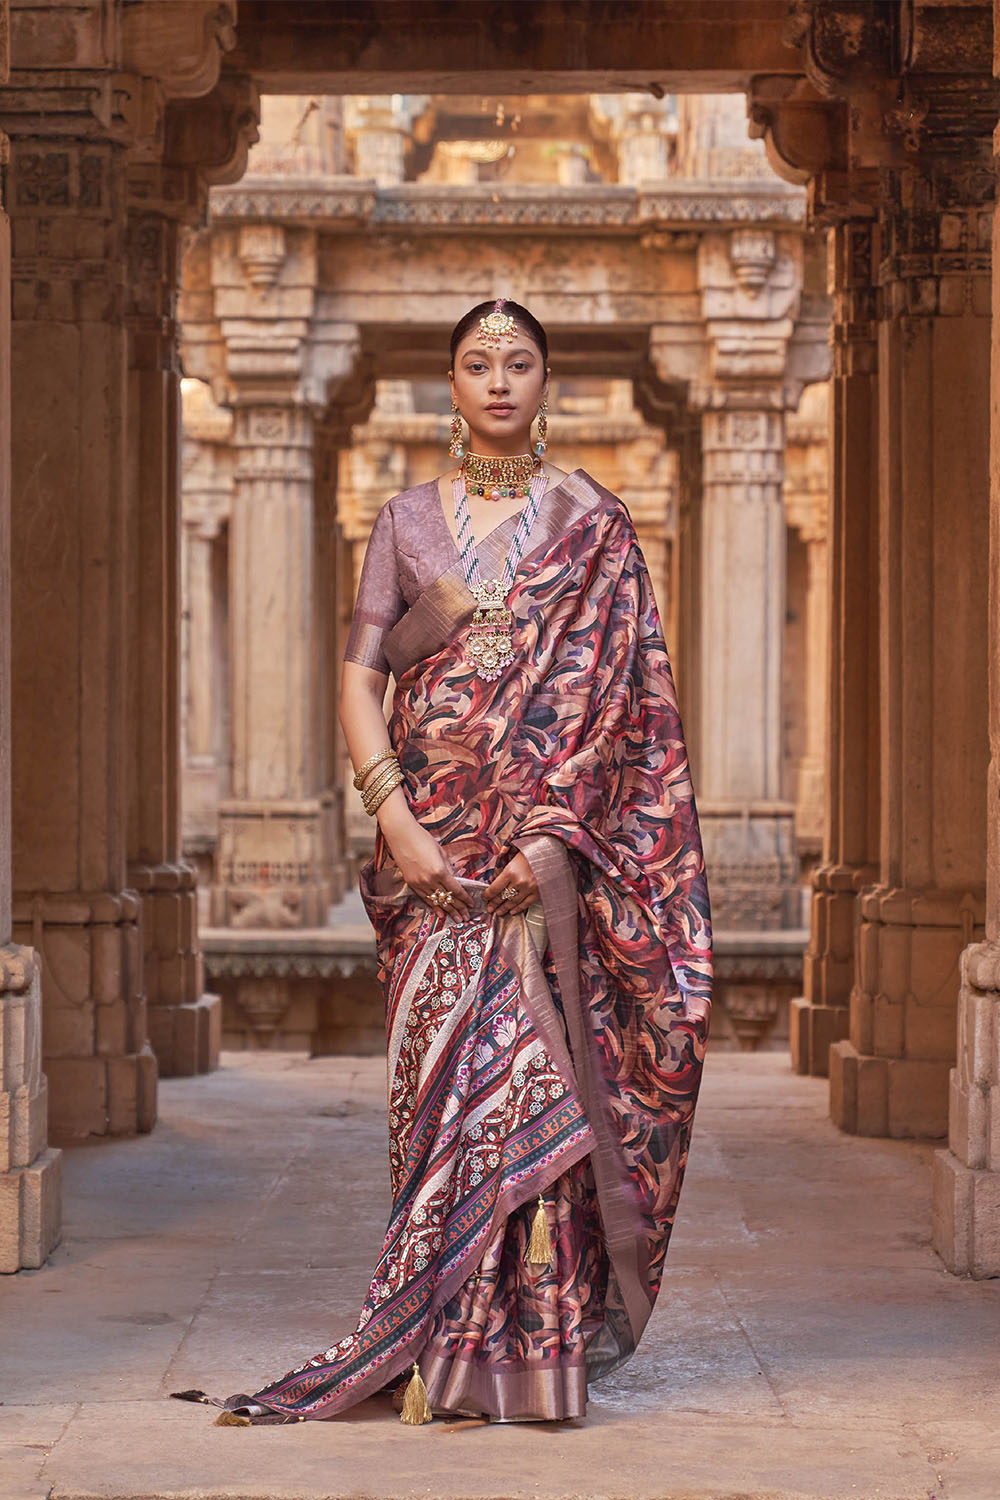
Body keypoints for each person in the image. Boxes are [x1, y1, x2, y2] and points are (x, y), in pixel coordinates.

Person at [172, 297, 713, 1427]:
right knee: (443, 1109)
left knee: (538, 1090)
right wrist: (397, 826)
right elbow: (360, 681)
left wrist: (557, 836)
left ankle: (525, 1357)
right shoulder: (408, 524)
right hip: (430, 860)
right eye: (478, 362)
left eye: (520, 362)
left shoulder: (598, 528)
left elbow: (627, 711)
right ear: (451, 383)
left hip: (547, 868)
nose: (500, 381)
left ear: (546, 380)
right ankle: (439, 1340)